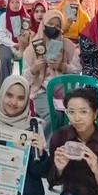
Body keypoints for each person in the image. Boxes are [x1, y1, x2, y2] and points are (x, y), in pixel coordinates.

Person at [22, 10, 80, 141]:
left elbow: (78, 71)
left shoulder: (68, 46)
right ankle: (46, 146)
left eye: (58, 26)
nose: (53, 28)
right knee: (52, 114)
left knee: (66, 114)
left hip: (66, 90)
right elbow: (24, 79)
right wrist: (33, 69)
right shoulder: (32, 48)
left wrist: (63, 66)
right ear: (43, 24)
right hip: (41, 90)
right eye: (50, 24)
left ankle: (62, 144)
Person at [0, 0, 30, 85]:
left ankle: (25, 83)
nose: (15, 5)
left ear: (21, 3)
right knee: (6, 58)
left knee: (31, 58)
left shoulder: (26, 17)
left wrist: (24, 42)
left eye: (17, 2)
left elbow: (30, 33)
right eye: (12, 2)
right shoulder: (4, 16)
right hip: (6, 43)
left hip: (23, 44)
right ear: (8, 4)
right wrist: (13, 44)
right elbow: (1, 35)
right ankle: (4, 84)